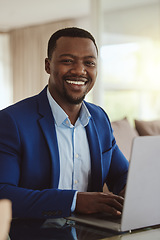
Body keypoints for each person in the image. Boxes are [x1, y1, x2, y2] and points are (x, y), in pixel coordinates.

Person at [0, 27, 129, 220]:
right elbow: (3, 194)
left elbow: (121, 174)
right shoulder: (12, 121)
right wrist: (74, 201)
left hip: (94, 232)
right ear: (48, 65)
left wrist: (133, 191)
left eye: (89, 63)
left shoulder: (100, 118)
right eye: (68, 61)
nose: (79, 70)